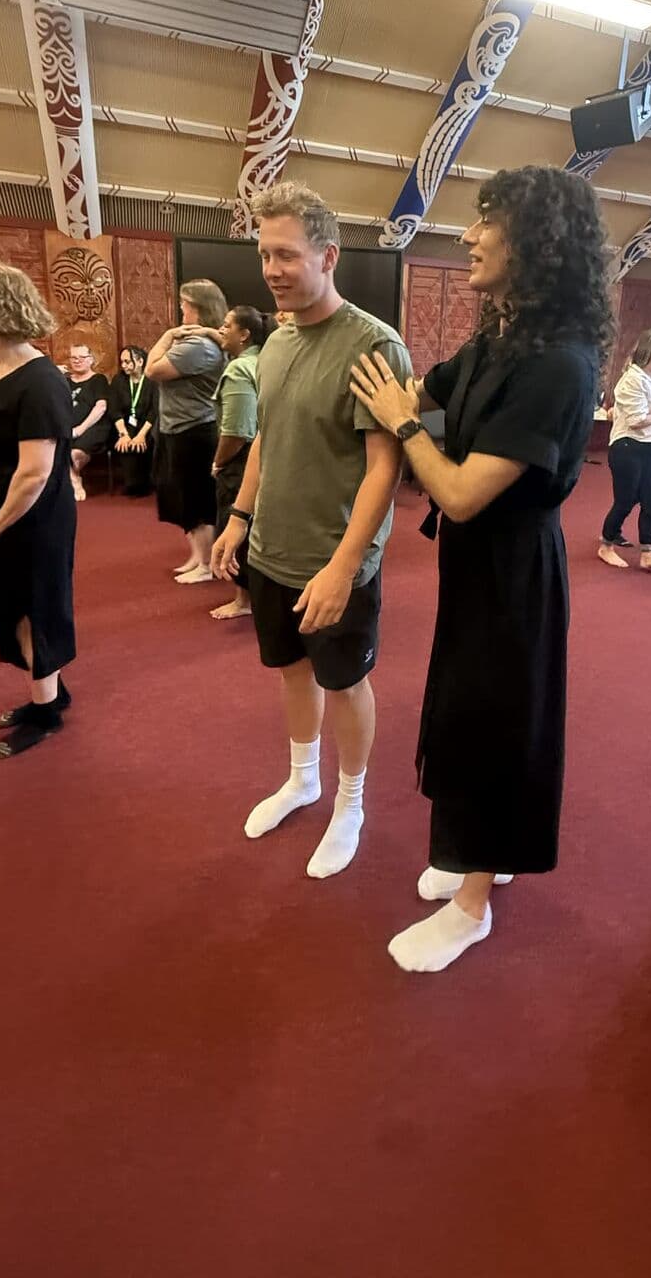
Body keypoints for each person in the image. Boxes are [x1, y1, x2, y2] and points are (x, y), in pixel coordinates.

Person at [350, 165, 608, 972]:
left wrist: (402, 424)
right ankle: (473, 857)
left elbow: (459, 493)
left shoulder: (559, 364)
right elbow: (418, 390)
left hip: (516, 574)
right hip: (473, 572)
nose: (466, 234)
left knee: (499, 728)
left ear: (535, 243)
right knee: (462, 714)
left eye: (485, 219)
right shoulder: (502, 335)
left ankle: (475, 905)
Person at [212, 182, 411, 881]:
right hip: (272, 551)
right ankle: (304, 779)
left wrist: (343, 564)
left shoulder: (373, 345)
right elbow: (267, 436)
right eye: (265, 254)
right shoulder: (276, 341)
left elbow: (385, 469)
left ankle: (351, 801)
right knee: (292, 671)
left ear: (328, 256)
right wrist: (239, 516)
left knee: (346, 681)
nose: (271, 268)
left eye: (286, 255)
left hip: (337, 562)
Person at [0, 263, 77, 759]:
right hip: (0, 515)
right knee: (11, 605)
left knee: (35, 606)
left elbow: (34, 473)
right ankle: (53, 691)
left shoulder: (41, 381)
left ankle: (45, 713)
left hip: (36, 519)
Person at [146, 280, 226, 584]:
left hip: (194, 430)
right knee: (181, 499)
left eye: (185, 303)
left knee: (197, 500)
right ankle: (196, 557)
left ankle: (206, 564)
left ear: (200, 307)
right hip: (175, 429)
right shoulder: (193, 340)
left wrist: (167, 336)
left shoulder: (199, 346)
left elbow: (151, 370)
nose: (181, 309)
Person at [597, 329, 651, 576]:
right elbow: (636, 420)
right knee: (625, 500)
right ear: (649, 350)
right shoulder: (632, 380)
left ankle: (648, 553)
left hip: (649, 448)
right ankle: (606, 544)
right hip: (628, 447)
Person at [209, 306, 271, 622]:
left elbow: (236, 431)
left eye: (226, 325)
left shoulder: (238, 370)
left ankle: (243, 599)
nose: (220, 330)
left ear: (244, 334)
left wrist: (218, 462)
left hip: (243, 461)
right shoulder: (268, 359)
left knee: (238, 524)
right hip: (271, 460)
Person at [107, 345, 157, 496]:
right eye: (122, 362)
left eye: (128, 362)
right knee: (125, 442)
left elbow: (154, 412)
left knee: (145, 440)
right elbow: (114, 410)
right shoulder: (118, 380)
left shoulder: (152, 380)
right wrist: (124, 434)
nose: (124, 366)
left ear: (140, 361)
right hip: (124, 425)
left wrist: (141, 435)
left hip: (147, 426)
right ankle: (132, 483)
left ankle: (145, 482)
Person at [65, 343, 111, 501]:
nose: (77, 361)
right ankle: (74, 479)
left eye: (82, 357)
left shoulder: (98, 379)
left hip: (93, 427)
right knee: (52, 448)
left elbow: (101, 407)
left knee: (73, 454)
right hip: (66, 427)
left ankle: (73, 480)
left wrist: (80, 429)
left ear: (91, 359)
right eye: (73, 358)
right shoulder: (64, 381)